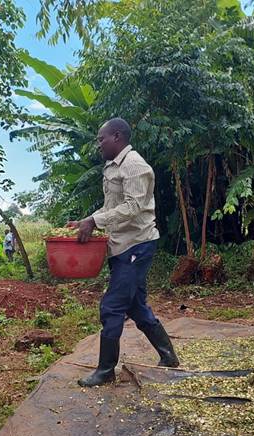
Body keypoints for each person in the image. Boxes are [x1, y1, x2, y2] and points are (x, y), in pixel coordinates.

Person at [68, 118, 180, 387]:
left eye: (101, 139)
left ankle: (106, 370)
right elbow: (113, 206)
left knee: (112, 306)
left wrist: (95, 221)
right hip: (121, 246)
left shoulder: (134, 166)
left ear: (117, 137)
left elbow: (133, 208)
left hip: (136, 245)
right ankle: (168, 356)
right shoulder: (113, 166)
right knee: (137, 307)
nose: (98, 144)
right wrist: (89, 219)